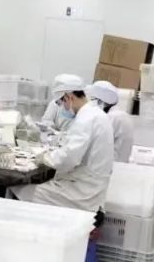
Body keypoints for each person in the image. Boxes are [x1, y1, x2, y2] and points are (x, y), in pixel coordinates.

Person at [12, 74, 114, 211]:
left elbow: (69, 157)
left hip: (82, 192)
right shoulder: (95, 114)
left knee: (19, 190)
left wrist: (44, 158)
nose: (63, 108)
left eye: (61, 103)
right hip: (91, 186)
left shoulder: (86, 118)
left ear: (68, 97)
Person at [87, 80, 133, 163]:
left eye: (93, 100)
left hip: (112, 164)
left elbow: (96, 141)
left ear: (100, 101)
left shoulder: (113, 117)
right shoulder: (120, 114)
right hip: (118, 162)